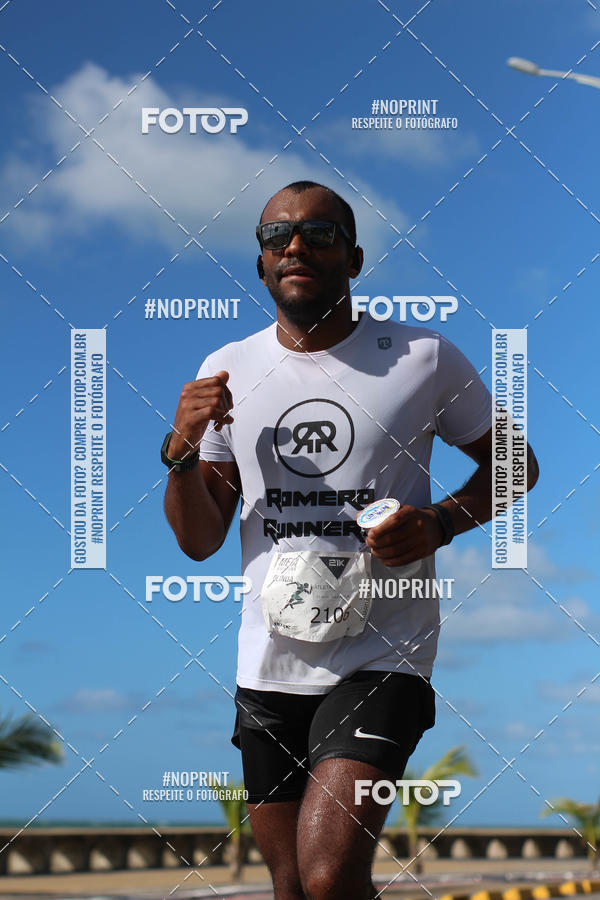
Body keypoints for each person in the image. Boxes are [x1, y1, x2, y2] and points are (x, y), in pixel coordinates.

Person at [163, 181, 539, 900]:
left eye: (320, 234)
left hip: (383, 657)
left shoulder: (423, 357)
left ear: (355, 258)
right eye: (277, 237)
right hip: (268, 665)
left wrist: (441, 521)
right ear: (261, 265)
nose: (296, 247)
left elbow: (515, 464)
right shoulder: (228, 368)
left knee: (330, 876)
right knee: (291, 888)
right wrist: (182, 450)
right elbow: (199, 542)